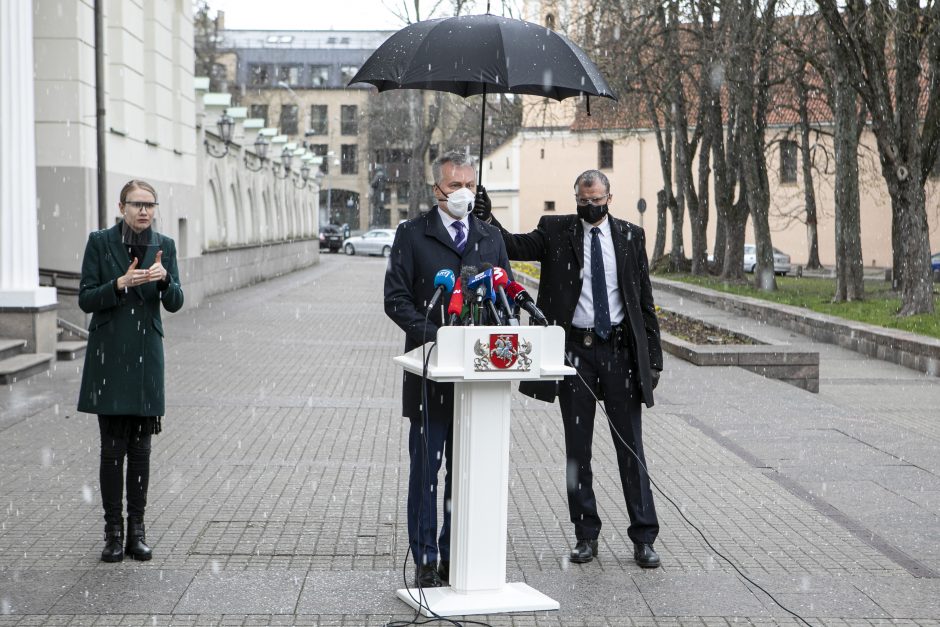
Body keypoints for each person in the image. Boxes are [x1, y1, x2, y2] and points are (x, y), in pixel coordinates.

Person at [475, 170, 664, 568]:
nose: (589, 207)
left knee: (631, 448)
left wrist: (654, 358)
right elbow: (513, 245)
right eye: (583, 200)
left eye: (596, 200)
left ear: (610, 198)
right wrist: (488, 220)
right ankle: (586, 535)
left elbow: (643, 301)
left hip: (619, 354)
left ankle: (644, 536)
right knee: (578, 451)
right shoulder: (556, 230)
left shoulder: (631, 236)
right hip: (574, 353)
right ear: (575, 198)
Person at [384, 151, 511, 588]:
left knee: (466, 471)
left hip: (477, 381)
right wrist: (437, 332)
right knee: (426, 472)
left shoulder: (489, 237)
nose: (463, 193)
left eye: (470, 185)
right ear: (436, 188)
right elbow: (395, 299)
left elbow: (504, 296)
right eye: (454, 185)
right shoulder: (412, 234)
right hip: (429, 374)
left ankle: (453, 554)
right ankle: (424, 558)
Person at [77, 180, 184, 562]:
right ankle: (112, 532)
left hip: (146, 358)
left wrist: (165, 280)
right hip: (109, 356)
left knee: (140, 451)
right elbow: (85, 298)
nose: (144, 211)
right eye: (137, 204)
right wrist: (119, 284)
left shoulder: (165, 246)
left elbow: (176, 303)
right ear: (121, 206)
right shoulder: (100, 242)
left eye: (150, 204)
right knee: (111, 451)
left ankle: (136, 530)